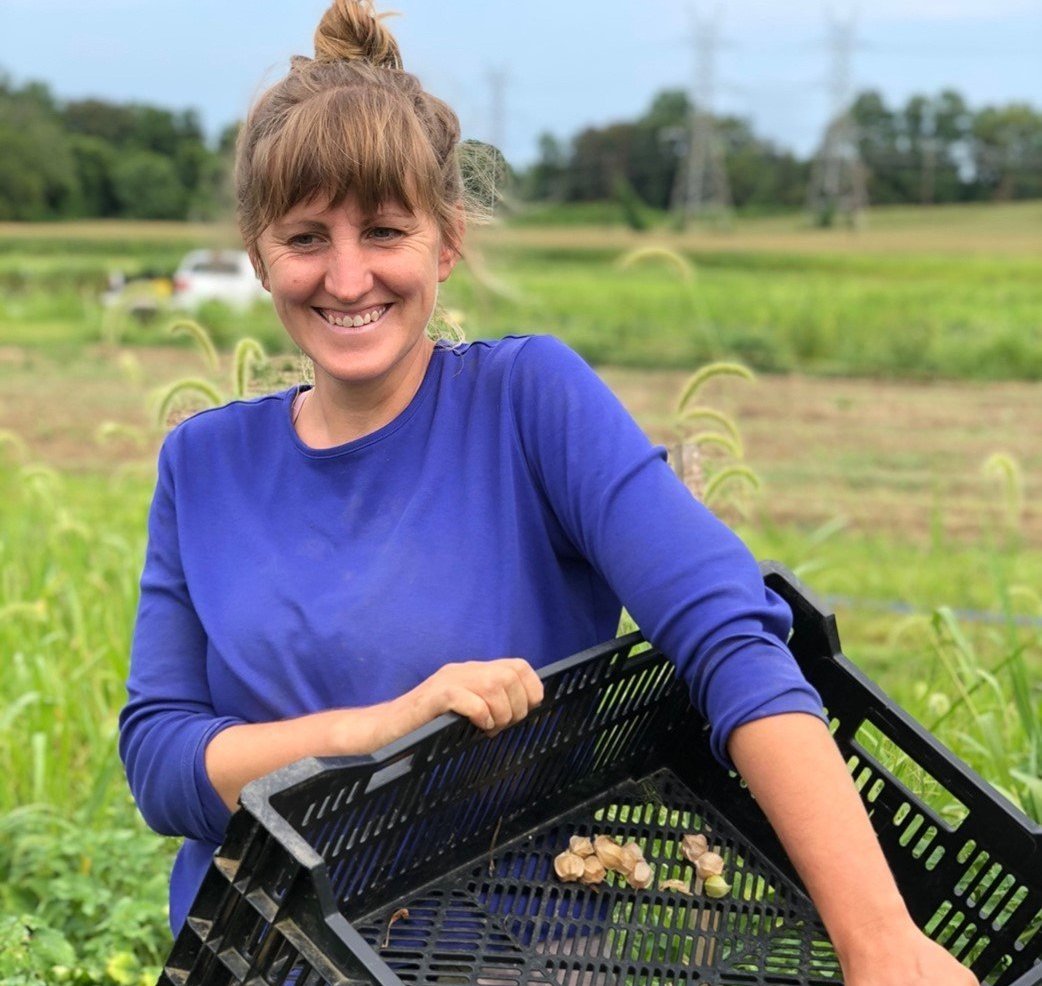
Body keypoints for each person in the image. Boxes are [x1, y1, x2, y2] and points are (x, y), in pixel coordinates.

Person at [118, 3, 977, 984]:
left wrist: (880, 941)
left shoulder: (528, 403)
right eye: (307, 236)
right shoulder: (203, 463)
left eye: (385, 230)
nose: (346, 274)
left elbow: (730, 634)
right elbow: (163, 761)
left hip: (509, 951)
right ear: (260, 249)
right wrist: (380, 728)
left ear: (445, 243)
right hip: (262, 957)